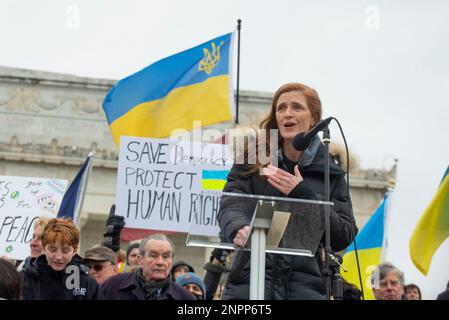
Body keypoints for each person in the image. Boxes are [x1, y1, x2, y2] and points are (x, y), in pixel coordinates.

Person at [218, 82, 358, 300]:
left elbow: (344, 234)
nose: (287, 114)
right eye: (281, 108)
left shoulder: (332, 173)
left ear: (314, 119)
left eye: (297, 107)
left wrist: (304, 196)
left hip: (304, 290)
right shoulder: (252, 160)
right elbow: (231, 204)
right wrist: (238, 227)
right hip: (249, 286)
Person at [21, 218, 102, 300]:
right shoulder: (26, 279)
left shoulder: (87, 283)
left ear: (74, 250)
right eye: (52, 250)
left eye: (65, 251)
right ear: (44, 247)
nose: (58, 257)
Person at [102, 233, 195, 300]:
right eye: (153, 255)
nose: (160, 262)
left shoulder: (185, 297)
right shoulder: (113, 286)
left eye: (166, 256)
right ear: (140, 260)